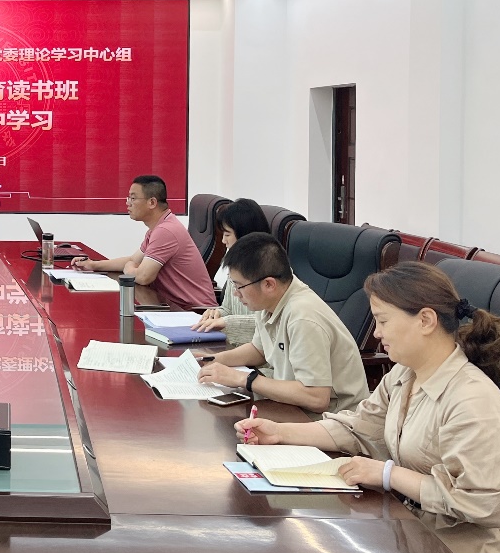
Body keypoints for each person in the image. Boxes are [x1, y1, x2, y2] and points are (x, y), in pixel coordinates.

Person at [235, 262, 500, 553]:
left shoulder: (473, 401)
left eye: (383, 321)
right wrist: (281, 432)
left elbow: (480, 504)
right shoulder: (404, 374)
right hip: (413, 535)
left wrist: (387, 474)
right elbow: (359, 427)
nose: (377, 333)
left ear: (425, 320)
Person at [197, 232, 368, 413]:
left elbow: (316, 398)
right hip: (294, 408)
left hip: (335, 418)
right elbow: (259, 350)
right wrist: (211, 360)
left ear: (269, 284)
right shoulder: (270, 300)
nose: (235, 293)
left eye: (239, 286)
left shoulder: (302, 317)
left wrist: (242, 379)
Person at [70, 174, 216, 310]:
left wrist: (129, 268)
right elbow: (134, 260)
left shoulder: (166, 231)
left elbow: (143, 277)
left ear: (152, 202)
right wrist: (93, 265)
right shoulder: (158, 227)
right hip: (173, 307)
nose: (128, 203)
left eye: (133, 198)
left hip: (195, 314)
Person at [191, 198, 271, 345]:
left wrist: (226, 322)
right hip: (235, 346)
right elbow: (228, 308)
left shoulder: (270, 268)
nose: (223, 241)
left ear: (244, 233)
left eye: (227, 234)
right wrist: (217, 313)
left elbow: (270, 321)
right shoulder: (236, 264)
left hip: (261, 353)